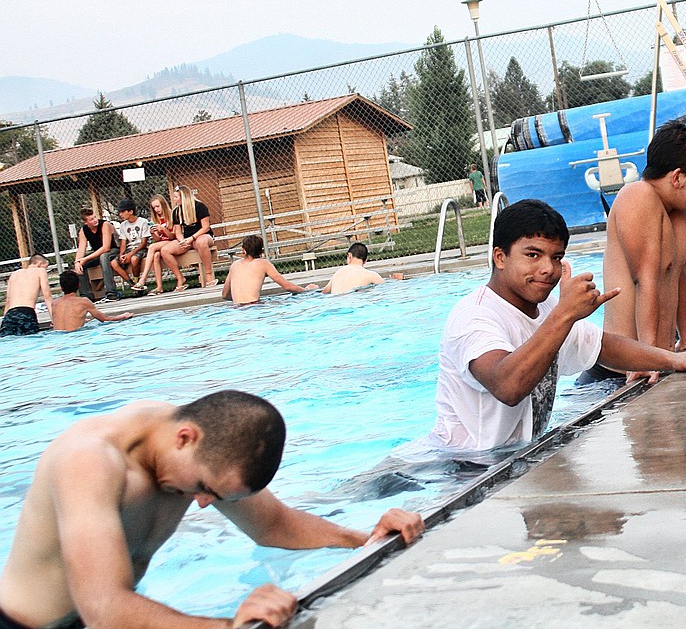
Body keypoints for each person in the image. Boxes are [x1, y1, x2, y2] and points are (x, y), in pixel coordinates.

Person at [0, 390, 424, 629]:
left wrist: (365, 537)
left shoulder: (201, 449)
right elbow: (104, 606)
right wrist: (226, 627)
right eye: (202, 489)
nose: (201, 503)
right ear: (185, 438)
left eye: (216, 498)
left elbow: (274, 525)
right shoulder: (90, 461)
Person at [429, 199, 686, 452]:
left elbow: (604, 346)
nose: (548, 268)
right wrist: (564, 314)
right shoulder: (474, 317)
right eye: (532, 255)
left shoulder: (545, 307)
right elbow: (507, 386)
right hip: (461, 467)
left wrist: (675, 359)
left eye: (556, 257)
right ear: (500, 257)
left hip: (511, 454)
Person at [585, 122, 686, 384]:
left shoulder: (678, 207)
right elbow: (645, 279)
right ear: (677, 178)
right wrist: (648, 357)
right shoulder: (638, 195)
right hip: (618, 373)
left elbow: (679, 271)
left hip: (656, 360)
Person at [223, 235, 318, 305]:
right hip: (254, 307)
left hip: (237, 309)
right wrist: (307, 290)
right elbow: (287, 287)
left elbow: (224, 295)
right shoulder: (263, 263)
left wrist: (239, 298)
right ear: (261, 251)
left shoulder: (234, 265)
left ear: (243, 250)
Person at [161, 185, 217, 290]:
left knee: (201, 242)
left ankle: (209, 275)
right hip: (187, 238)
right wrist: (182, 241)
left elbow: (205, 227)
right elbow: (177, 231)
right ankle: (180, 278)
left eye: (176, 197)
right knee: (165, 250)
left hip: (203, 235)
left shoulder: (200, 207)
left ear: (184, 197)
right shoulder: (176, 211)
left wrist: (192, 238)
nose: (174, 199)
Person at [50, 269, 133, 332]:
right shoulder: (84, 301)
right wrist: (123, 316)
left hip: (57, 336)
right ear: (79, 285)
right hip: (75, 336)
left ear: (61, 288)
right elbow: (104, 319)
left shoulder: (54, 303)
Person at [132, 194, 180, 295]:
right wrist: (153, 233)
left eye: (158, 206)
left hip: (173, 242)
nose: (156, 209)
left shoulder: (172, 215)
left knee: (152, 247)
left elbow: (173, 236)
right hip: (162, 243)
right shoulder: (155, 218)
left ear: (163, 204)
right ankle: (159, 287)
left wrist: (164, 229)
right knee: (156, 255)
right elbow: (158, 239)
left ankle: (143, 279)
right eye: (154, 208)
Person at [0, 254, 53, 337]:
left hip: (10, 314)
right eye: (45, 267)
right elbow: (47, 297)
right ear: (39, 264)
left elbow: (8, 301)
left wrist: (4, 321)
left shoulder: (14, 274)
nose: (46, 269)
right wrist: (54, 319)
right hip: (26, 313)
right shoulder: (40, 271)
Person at [73, 207, 119, 302]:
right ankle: (86, 296)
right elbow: (81, 249)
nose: (95, 220)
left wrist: (85, 259)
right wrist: (77, 262)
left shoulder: (104, 225)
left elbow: (106, 247)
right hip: (98, 252)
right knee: (80, 265)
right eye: (91, 219)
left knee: (104, 257)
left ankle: (111, 293)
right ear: (86, 223)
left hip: (113, 250)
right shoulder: (83, 230)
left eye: (95, 217)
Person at [322, 242, 397, 294]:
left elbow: (324, 292)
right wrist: (396, 281)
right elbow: (387, 288)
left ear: (349, 256)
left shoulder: (339, 272)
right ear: (365, 261)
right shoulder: (371, 275)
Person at [110, 199, 151, 289]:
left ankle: (137, 281)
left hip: (141, 248)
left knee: (134, 259)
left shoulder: (143, 222)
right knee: (114, 263)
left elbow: (144, 243)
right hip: (129, 249)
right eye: (119, 212)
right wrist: (121, 255)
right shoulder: (123, 225)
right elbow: (123, 243)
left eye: (123, 211)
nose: (120, 214)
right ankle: (132, 284)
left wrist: (130, 254)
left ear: (131, 211)